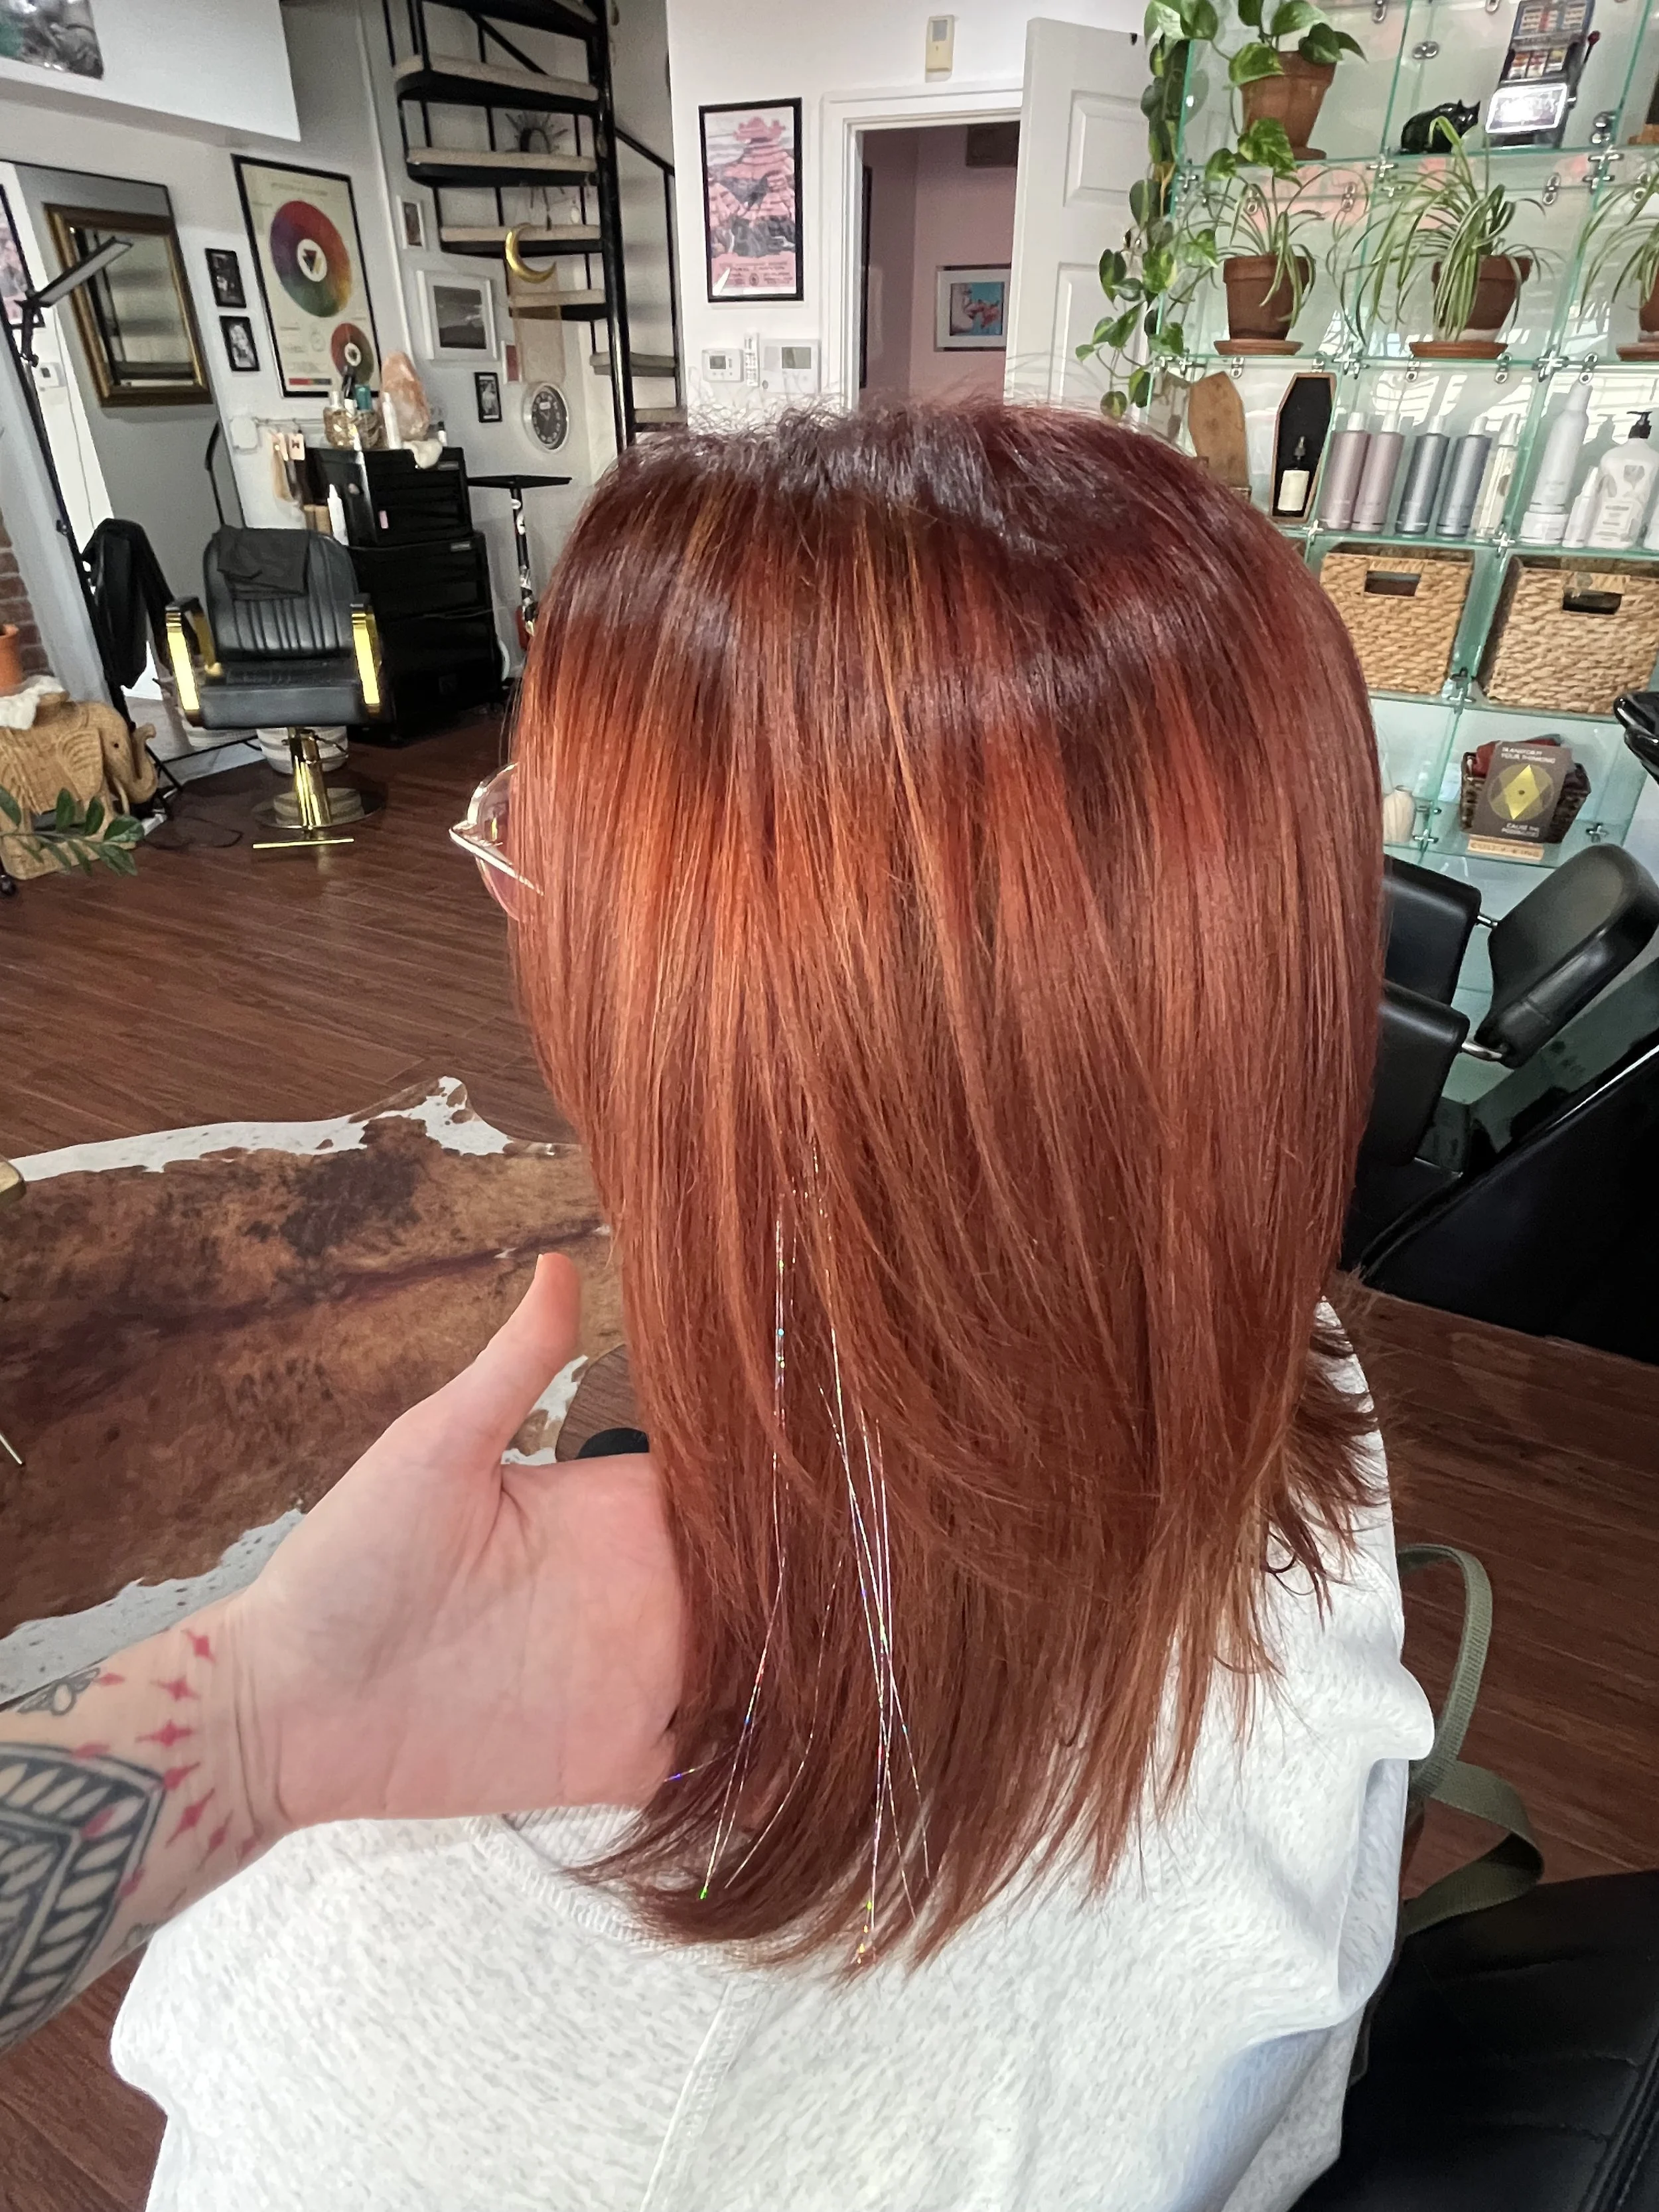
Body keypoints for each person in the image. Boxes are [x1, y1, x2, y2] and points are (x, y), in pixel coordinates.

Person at [2, 405, 1433, 2208]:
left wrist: (261, 1730)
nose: (501, 853)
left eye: (537, 826)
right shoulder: (1291, 1383)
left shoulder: (433, 1984)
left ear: (717, 1009)